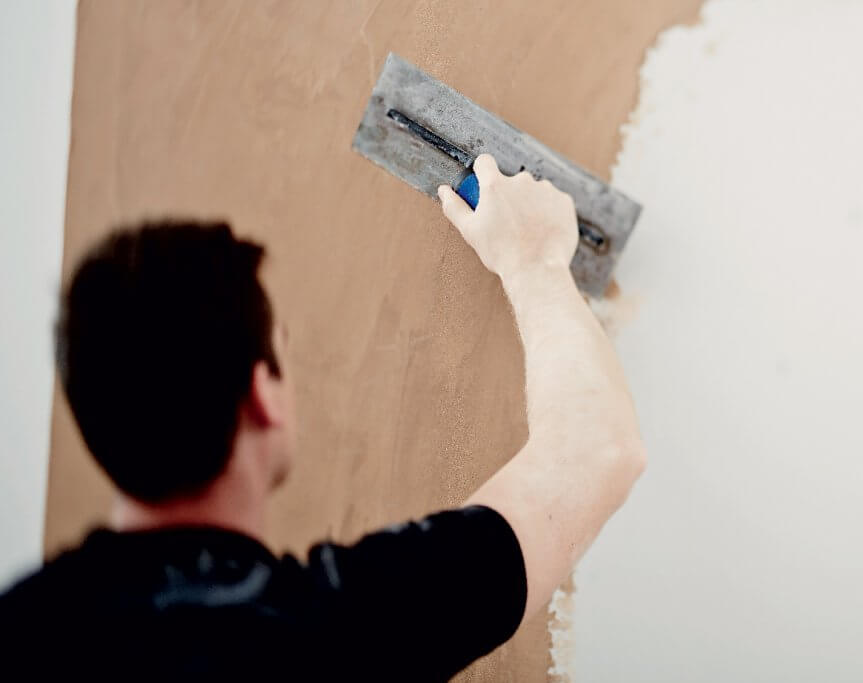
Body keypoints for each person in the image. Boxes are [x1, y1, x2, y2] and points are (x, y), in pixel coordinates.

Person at [0, 155, 645, 680]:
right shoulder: (327, 632)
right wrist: (533, 262)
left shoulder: (24, 629)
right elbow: (597, 453)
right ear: (262, 395)